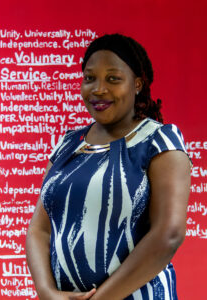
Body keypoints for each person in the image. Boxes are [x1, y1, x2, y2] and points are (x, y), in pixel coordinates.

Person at [26, 33, 191, 300]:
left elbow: (168, 235)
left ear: (137, 84)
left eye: (113, 78)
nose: (98, 89)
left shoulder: (158, 140)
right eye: (90, 78)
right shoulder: (67, 144)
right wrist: (46, 291)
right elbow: (39, 229)